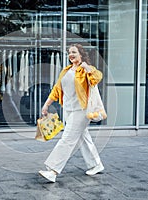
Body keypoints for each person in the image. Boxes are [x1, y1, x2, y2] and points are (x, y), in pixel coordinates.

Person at [39, 43, 104, 183]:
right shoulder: (66, 71)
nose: (71, 54)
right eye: (69, 52)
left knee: (67, 139)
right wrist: (46, 105)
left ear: (81, 54)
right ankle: (96, 164)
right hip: (69, 110)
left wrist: (87, 68)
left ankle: (53, 170)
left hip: (82, 111)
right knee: (84, 138)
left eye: (74, 52)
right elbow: (56, 90)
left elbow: (97, 77)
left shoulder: (85, 69)